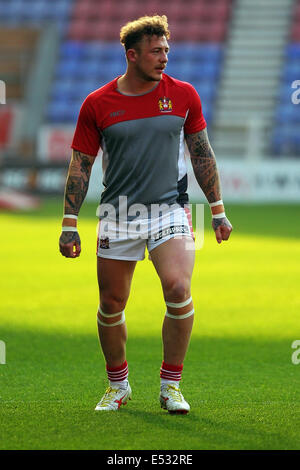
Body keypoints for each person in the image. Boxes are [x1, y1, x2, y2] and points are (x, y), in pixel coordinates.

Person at [59, 15, 232, 414]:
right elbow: (80, 165)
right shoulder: (97, 103)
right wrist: (69, 224)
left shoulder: (184, 95)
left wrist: (218, 212)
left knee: (177, 288)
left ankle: (171, 385)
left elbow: (202, 153)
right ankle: (117, 385)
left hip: (169, 209)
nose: (164, 58)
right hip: (118, 214)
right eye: (156, 52)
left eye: (167, 50)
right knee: (112, 302)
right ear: (132, 55)